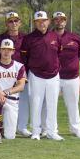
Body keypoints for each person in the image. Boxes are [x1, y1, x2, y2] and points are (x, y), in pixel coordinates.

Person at [20, 11, 63, 141]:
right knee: (36, 103)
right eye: (38, 21)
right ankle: (35, 132)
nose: (41, 23)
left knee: (52, 104)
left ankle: (51, 131)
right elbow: (24, 57)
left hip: (53, 75)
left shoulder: (55, 36)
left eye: (43, 20)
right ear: (35, 23)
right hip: (36, 74)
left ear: (48, 21)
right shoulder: (28, 38)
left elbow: (59, 54)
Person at [0, 11, 29, 136]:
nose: (13, 23)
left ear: (20, 22)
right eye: (10, 21)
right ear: (7, 23)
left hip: (20, 71)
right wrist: (1, 67)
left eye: (16, 20)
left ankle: (21, 126)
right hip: (2, 72)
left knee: (23, 101)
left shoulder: (26, 38)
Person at [53, 11, 80, 138]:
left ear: (65, 21)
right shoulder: (49, 36)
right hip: (53, 77)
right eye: (57, 19)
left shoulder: (75, 37)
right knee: (50, 105)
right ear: (53, 21)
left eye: (62, 19)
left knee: (73, 104)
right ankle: (50, 129)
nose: (59, 21)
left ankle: (76, 129)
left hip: (72, 77)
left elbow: (79, 53)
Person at [0, 39, 27, 144]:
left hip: (12, 100)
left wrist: (5, 92)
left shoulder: (19, 66)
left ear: (13, 51)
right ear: (0, 50)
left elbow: (21, 86)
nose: (6, 52)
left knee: (10, 136)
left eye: (9, 49)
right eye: (4, 49)